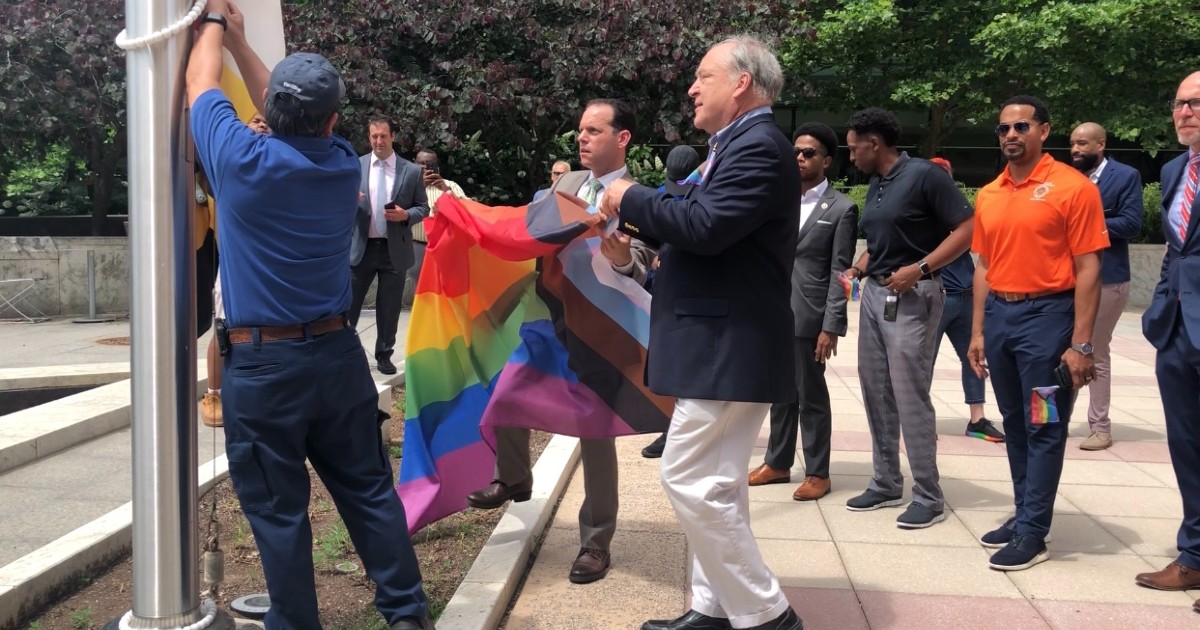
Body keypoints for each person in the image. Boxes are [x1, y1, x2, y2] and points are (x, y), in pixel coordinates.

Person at [186, 3, 433, 628]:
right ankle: (407, 615)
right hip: (335, 358)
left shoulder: (243, 162)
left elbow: (198, 85)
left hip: (264, 368)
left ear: (272, 115)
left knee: (278, 513)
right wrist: (241, 38)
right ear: (333, 121)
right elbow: (280, 103)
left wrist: (213, 22)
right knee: (370, 493)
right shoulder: (336, 164)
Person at [601, 36, 803, 630]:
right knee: (718, 483)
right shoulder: (735, 145)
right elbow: (698, 226)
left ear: (741, 82)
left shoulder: (759, 145)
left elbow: (708, 225)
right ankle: (714, 609)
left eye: (703, 76)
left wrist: (629, 194)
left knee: (688, 477)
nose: (692, 88)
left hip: (728, 345)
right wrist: (638, 228)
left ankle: (767, 616)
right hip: (724, 343)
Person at [466, 99, 638, 586]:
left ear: (621, 138)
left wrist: (622, 259)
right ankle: (515, 476)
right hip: (545, 322)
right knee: (507, 393)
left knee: (595, 434)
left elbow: (644, 262)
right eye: (580, 130)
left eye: (594, 130)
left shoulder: (636, 197)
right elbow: (524, 237)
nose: (582, 138)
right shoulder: (562, 188)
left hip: (599, 330)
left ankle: (595, 541)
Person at [968, 95, 1107, 572]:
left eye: (1021, 126)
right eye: (1003, 128)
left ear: (1044, 131)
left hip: (1047, 323)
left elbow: (1090, 268)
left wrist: (1080, 344)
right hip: (1002, 322)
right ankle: (1025, 511)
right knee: (1014, 423)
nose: (1011, 135)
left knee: (1043, 424)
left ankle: (1034, 532)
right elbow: (983, 266)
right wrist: (979, 331)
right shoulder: (989, 193)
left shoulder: (1072, 188)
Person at [841, 108, 973, 529]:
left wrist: (921, 267)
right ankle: (885, 481)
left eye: (852, 148)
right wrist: (859, 267)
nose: (850, 157)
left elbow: (968, 228)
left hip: (914, 296)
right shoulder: (878, 182)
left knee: (909, 395)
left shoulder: (925, 175)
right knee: (875, 390)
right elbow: (882, 242)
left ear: (873, 143)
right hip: (877, 295)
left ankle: (929, 496)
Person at [747, 122, 858, 502]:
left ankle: (818, 472)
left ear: (826, 160)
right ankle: (777, 462)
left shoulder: (842, 208)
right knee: (780, 392)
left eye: (809, 153)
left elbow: (842, 273)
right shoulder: (778, 201)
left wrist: (832, 325)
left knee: (810, 396)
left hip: (809, 316)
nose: (799, 157)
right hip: (773, 312)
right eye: (796, 151)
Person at [1135, 72, 1200, 602]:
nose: (1185, 112)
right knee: (1187, 447)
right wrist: (1159, 308)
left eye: (1196, 103)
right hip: (1176, 329)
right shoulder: (1177, 168)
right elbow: (1177, 249)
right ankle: (1196, 554)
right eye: (1180, 103)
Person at [1068, 122, 1144, 451]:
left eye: (1083, 144)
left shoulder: (1125, 176)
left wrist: (1085, 223)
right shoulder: (1066, 178)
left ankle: (1100, 427)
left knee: (1093, 351)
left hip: (1108, 278)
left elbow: (1131, 223)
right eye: (1072, 143)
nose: (1076, 150)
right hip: (1063, 280)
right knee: (1048, 353)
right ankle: (1046, 420)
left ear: (1101, 144)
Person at [925, 157, 1004, 443]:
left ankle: (977, 419)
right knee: (924, 362)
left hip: (966, 296)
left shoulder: (963, 214)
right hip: (937, 297)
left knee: (975, 358)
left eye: (946, 177)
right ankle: (920, 420)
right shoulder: (921, 214)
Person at [200, 112, 269, 429]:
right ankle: (214, 394)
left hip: (269, 270)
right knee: (225, 329)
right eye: (254, 120)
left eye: (267, 122)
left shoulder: (281, 169)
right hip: (233, 268)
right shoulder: (229, 169)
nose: (261, 124)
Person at [348, 116, 429, 375]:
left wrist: (406, 215)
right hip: (362, 247)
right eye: (374, 136)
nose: (378, 141)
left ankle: (384, 354)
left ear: (393, 136)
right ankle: (345, 353)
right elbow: (336, 199)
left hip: (395, 248)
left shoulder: (411, 171)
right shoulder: (355, 166)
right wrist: (349, 199)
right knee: (349, 305)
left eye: (383, 136)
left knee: (390, 307)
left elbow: (423, 207)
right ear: (369, 137)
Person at [639, 143, 702, 460]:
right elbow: (645, 233)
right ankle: (670, 426)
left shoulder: (707, 196)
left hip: (693, 293)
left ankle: (674, 433)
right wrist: (655, 254)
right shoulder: (660, 193)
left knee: (686, 365)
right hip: (661, 291)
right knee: (665, 364)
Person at [404, 149, 468, 309]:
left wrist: (446, 190)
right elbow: (398, 208)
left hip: (446, 247)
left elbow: (467, 209)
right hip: (417, 246)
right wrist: (419, 186)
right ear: (414, 164)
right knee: (421, 292)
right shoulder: (406, 185)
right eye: (422, 164)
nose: (426, 168)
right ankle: (424, 326)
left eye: (430, 164)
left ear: (437, 167)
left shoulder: (450, 185)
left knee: (448, 290)